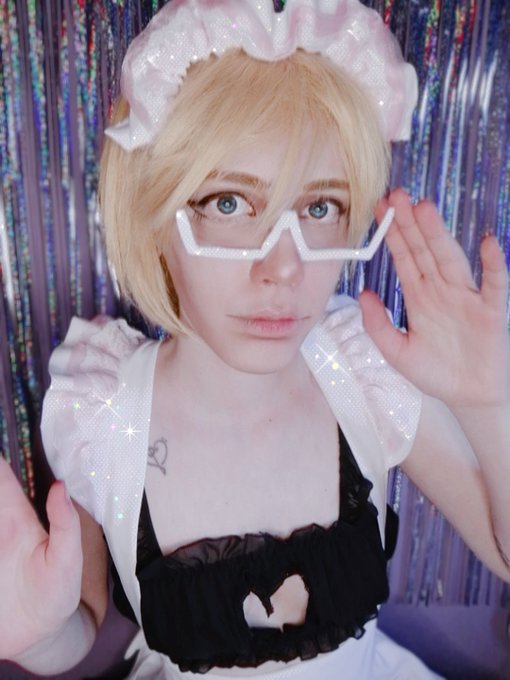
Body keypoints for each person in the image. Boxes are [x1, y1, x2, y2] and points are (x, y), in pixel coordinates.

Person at [1, 0, 509, 678]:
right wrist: (34, 633)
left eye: (320, 207)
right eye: (230, 204)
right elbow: (79, 627)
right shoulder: (103, 413)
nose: (283, 269)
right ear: (155, 213)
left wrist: (489, 406)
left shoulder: (361, 372)